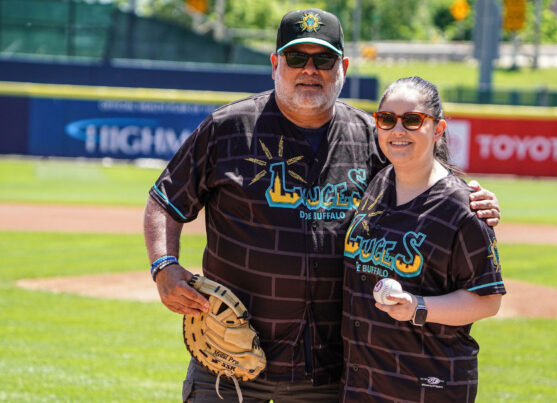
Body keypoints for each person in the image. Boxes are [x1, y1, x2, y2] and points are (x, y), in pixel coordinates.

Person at [143, 9, 500, 403]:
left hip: (328, 374)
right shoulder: (228, 129)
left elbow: (425, 174)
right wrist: (164, 266)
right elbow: (165, 200)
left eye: (323, 60)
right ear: (276, 64)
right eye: (297, 58)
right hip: (229, 364)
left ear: (342, 67)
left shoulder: (371, 138)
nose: (309, 70)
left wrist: (470, 198)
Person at [340, 76, 505, 403]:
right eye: (386, 119)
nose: (397, 130)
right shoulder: (377, 184)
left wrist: (418, 307)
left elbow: (488, 300)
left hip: (428, 384)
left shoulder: (462, 208)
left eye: (412, 120)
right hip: (363, 384)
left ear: (438, 129)